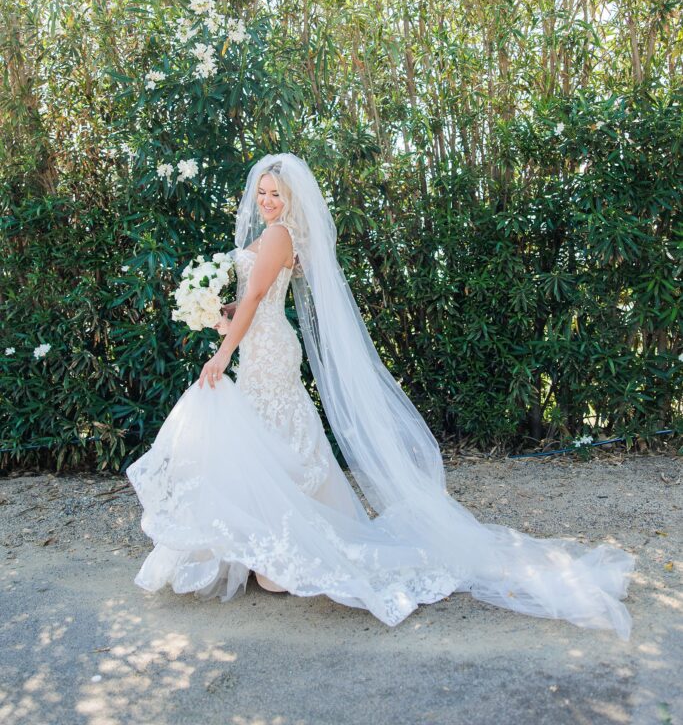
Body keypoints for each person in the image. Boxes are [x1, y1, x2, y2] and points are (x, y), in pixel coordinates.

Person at [126, 153, 636, 637]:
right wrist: (216, 317)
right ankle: (269, 546)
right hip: (259, 347)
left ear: (291, 199)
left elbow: (258, 296)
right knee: (263, 436)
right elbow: (247, 304)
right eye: (261, 193)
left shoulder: (280, 235)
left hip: (269, 353)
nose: (267, 201)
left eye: (276, 193)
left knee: (275, 431)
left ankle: (285, 545)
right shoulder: (268, 236)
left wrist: (221, 355)